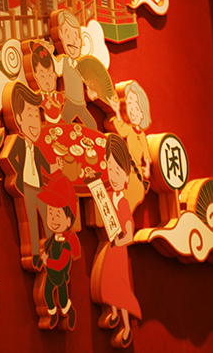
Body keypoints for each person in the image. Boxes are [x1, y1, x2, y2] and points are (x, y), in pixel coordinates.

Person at [91, 134, 142, 348]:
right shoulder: (109, 195)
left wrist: (120, 242)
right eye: (110, 169)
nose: (113, 175)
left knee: (120, 287)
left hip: (119, 250)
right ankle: (112, 313)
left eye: (118, 171)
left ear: (126, 176)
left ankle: (127, 326)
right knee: (107, 283)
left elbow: (130, 234)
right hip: (110, 248)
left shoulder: (123, 204)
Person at [3, 82, 61, 270]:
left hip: (39, 188)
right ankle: (35, 254)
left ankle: (50, 250)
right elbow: (7, 157)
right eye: (30, 115)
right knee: (31, 224)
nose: (35, 122)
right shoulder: (17, 144)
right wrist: (17, 175)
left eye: (37, 116)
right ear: (18, 119)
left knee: (47, 219)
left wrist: (57, 166)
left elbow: (46, 167)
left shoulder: (37, 149)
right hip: (26, 189)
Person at [38, 173, 79, 331]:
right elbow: (45, 252)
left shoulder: (66, 245)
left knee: (63, 300)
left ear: (68, 220)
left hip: (60, 278)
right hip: (50, 276)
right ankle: (52, 314)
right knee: (47, 295)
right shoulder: (50, 240)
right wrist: (41, 260)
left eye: (58, 214)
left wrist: (47, 261)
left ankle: (69, 311)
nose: (53, 218)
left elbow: (61, 263)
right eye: (50, 213)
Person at [107, 81, 152, 212]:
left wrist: (147, 169)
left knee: (126, 205)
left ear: (143, 113)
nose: (132, 110)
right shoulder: (129, 130)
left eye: (136, 107)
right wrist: (117, 111)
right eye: (129, 104)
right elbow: (120, 128)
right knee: (121, 205)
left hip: (135, 176)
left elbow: (147, 156)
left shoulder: (142, 136)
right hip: (127, 172)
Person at [49, 10, 97, 130]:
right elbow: (55, 68)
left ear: (80, 41)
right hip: (68, 101)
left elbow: (87, 83)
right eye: (68, 35)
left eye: (76, 36)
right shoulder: (63, 61)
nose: (73, 41)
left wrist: (91, 92)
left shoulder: (81, 66)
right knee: (64, 122)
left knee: (91, 125)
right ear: (60, 35)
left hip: (81, 104)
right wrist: (48, 53)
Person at [31, 42, 65, 124]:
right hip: (47, 123)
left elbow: (59, 105)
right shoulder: (40, 96)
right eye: (42, 76)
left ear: (54, 75)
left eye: (49, 75)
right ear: (36, 76)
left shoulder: (58, 95)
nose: (47, 82)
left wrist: (53, 102)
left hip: (60, 121)